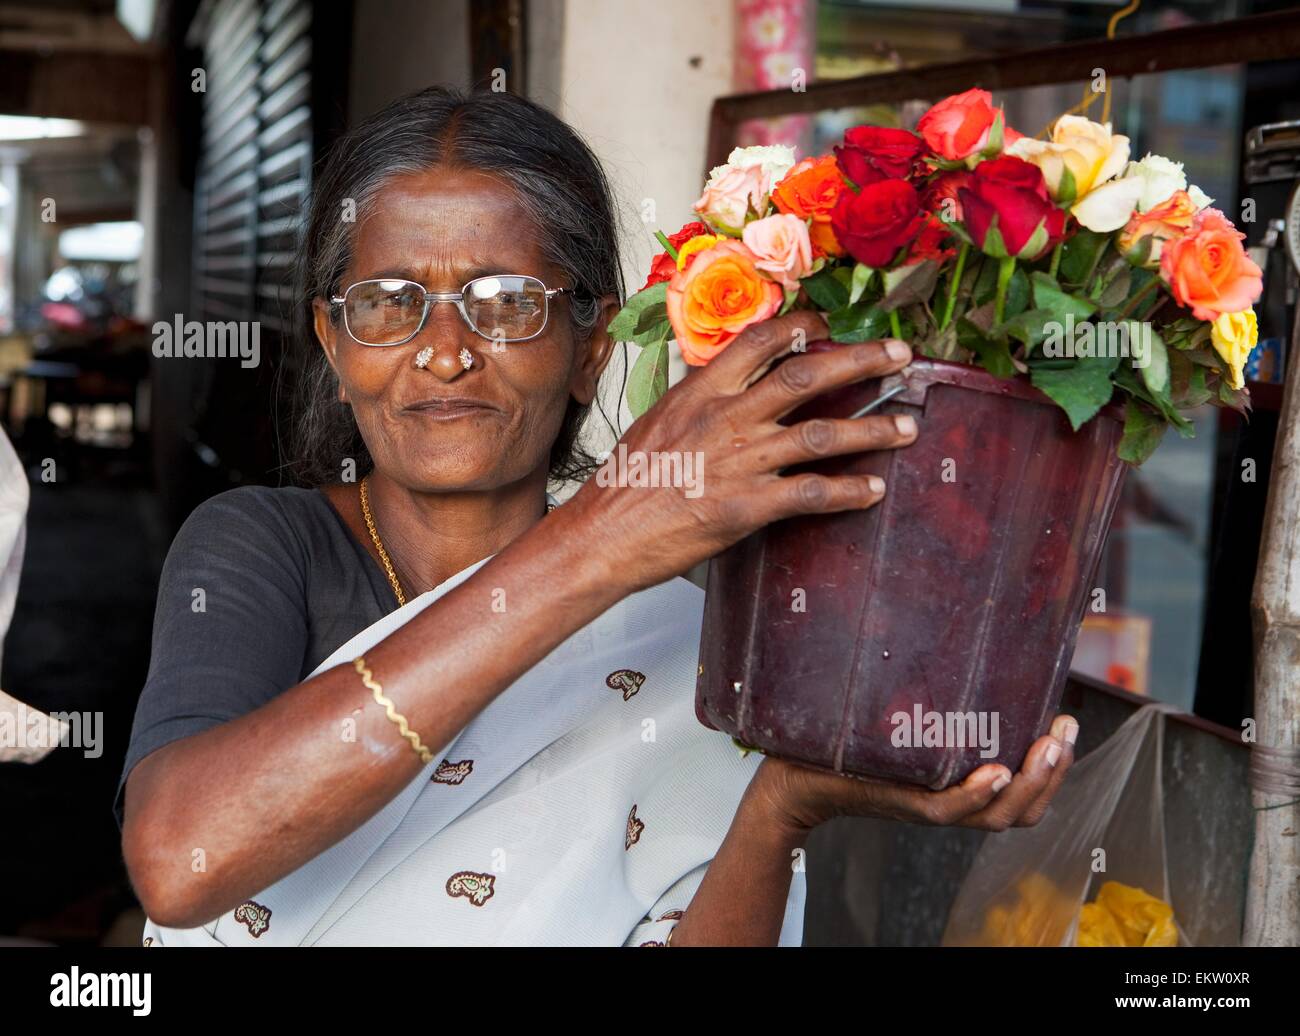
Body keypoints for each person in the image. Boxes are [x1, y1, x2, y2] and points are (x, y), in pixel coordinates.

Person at [116, 86, 1077, 947]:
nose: (444, 352)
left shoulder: (681, 637)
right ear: (334, 342)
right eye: (387, 303)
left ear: (590, 347)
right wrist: (602, 539)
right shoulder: (256, 547)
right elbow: (178, 862)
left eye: (505, 304)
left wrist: (781, 806)